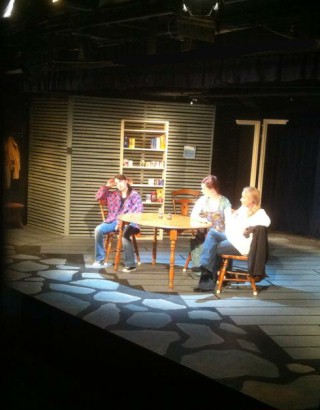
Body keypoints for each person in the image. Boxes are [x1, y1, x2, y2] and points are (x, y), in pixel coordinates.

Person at [194, 186, 271, 292]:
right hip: (232, 237)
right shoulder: (243, 209)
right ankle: (205, 265)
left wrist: (251, 227)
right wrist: (231, 215)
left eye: (243, 198)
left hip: (241, 244)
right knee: (212, 234)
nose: (240, 199)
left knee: (211, 247)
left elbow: (266, 222)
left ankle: (206, 280)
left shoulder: (260, 212)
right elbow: (232, 224)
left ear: (251, 200)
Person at [93, 174, 143, 272]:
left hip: (130, 222)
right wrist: (107, 186)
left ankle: (131, 265)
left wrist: (121, 223)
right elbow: (98, 197)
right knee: (98, 230)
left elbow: (137, 211)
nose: (118, 184)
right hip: (113, 221)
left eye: (120, 181)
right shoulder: (113, 195)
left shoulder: (134, 195)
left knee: (125, 234)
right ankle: (99, 258)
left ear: (126, 181)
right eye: (116, 183)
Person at [189, 175, 231, 273]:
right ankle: (204, 267)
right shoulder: (203, 200)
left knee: (218, 240)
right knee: (202, 239)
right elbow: (193, 215)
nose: (202, 190)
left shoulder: (224, 201)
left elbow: (229, 220)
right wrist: (204, 221)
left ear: (211, 189)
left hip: (220, 234)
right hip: (205, 232)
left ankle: (211, 268)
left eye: (203, 188)